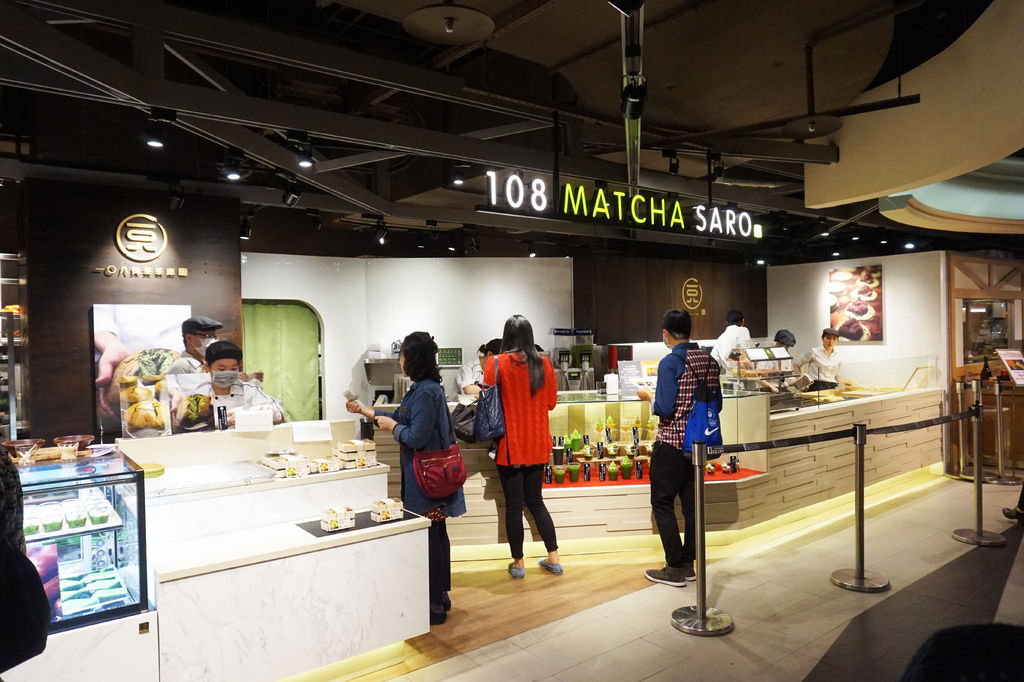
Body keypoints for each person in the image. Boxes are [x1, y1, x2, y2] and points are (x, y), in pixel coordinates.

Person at [346, 332, 466, 625]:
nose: (400, 362)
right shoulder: (424, 389)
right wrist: (365, 411)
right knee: (436, 532)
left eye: (402, 356)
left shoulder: (425, 392)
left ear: (413, 359)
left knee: (430, 535)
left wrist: (392, 428)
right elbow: (401, 415)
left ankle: (433, 604)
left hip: (427, 478)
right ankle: (440, 597)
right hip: (430, 476)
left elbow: (415, 436)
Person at [637, 309, 722, 587]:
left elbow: (663, 408)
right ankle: (688, 563)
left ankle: (674, 567)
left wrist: (648, 396)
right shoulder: (709, 361)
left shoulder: (670, 362)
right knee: (691, 505)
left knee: (662, 502)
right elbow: (718, 405)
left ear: (666, 334)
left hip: (672, 443)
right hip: (698, 446)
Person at [483, 315, 561, 579]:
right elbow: (551, 403)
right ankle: (554, 558)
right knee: (536, 502)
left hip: (510, 445)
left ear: (507, 336)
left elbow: (488, 402)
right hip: (538, 443)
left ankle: (518, 564)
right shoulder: (544, 363)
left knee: (514, 505)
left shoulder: (495, 362)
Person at [200, 341, 284, 427]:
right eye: (222, 369)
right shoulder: (199, 392)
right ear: (207, 367)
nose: (228, 373)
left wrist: (260, 412)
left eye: (233, 369)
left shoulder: (248, 390)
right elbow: (196, 425)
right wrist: (223, 421)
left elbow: (279, 414)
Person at [796, 328, 854, 392]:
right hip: (815, 386)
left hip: (832, 387)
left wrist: (845, 381)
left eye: (834, 339)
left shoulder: (838, 356)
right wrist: (800, 382)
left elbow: (837, 375)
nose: (831, 341)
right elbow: (796, 364)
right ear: (822, 338)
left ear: (837, 341)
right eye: (828, 338)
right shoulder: (814, 352)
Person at [760, 329, 797, 393]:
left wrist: (799, 382)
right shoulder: (766, 355)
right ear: (778, 343)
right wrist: (770, 386)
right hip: (768, 390)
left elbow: (788, 380)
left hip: (783, 389)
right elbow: (759, 377)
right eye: (786, 346)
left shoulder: (787, 357)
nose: (788, 348)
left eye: (788, 346)